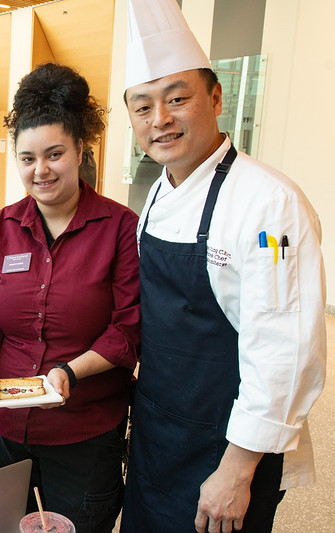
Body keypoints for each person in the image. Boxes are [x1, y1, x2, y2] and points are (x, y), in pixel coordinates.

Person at [120, 1, 327, 532]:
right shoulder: (158, 194)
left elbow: (285, 348)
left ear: (216, 98)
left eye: (177, 98)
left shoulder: (270, 204)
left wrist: (237, 470)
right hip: (158, 430)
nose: (159, 119)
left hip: (226, 446)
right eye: (143, 107)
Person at [0, 63, 140, 532]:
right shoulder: (0, 228)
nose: (40, 170)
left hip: (83, 431)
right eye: (27, 158)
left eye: (54, 154)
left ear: (80, 151)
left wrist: (68, 373)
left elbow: (126, 330)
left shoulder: (120, 228)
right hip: (4, 427)